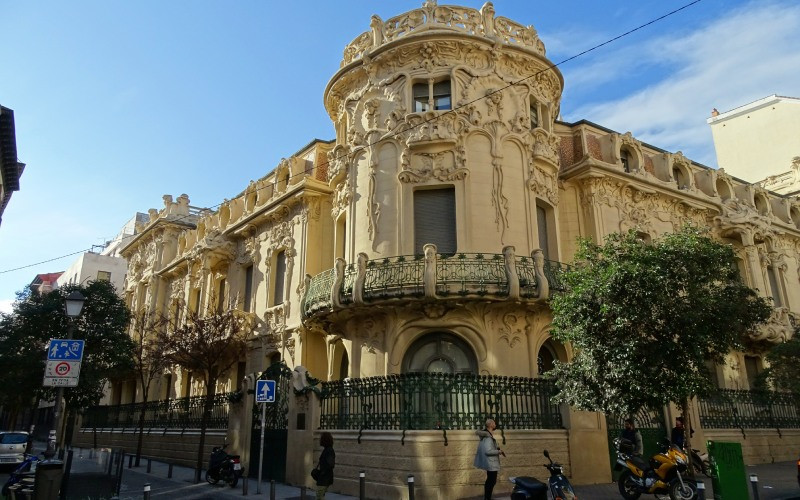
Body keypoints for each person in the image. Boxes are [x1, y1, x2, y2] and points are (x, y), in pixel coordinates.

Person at [474, 418, 505, 500]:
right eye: (494, 423)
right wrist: (498, 451)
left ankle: (487, 497)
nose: (495, 424)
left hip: (490, 462)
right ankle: (487, 498)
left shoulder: (488, 435)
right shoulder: (488, 437)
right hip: (491, 463)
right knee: (491, 481)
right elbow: (488, 451)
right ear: (491, 425)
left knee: (490, 481)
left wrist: (496, 447)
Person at [314, 432, 335, 500]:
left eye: (321, 439)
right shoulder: (327, 449)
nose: (320, 440)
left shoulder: (329, 450)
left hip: (325, 478)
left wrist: (323, 473)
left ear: (325, 440)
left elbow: (331, 464)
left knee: (319, 497)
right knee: (320, 496)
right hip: (324, 477)